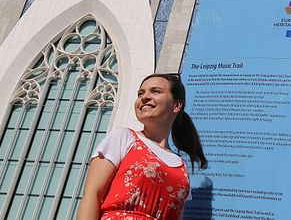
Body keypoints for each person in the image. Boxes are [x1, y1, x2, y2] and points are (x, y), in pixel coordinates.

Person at [77, 73, 208, 220]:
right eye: (141, 93)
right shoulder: (124, 137)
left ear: (176, 105)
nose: (144, 97)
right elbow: (92, 194)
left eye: (156, 91)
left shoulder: (181, 168)